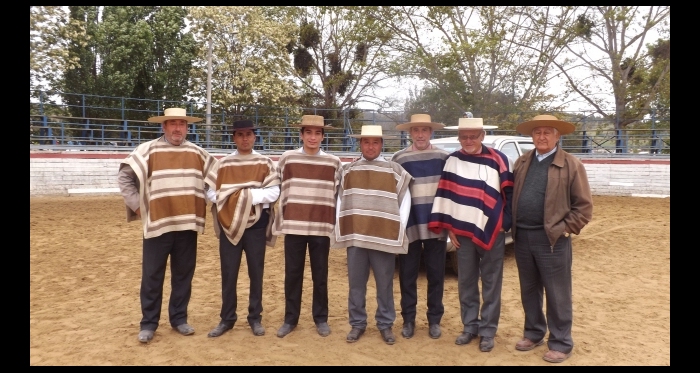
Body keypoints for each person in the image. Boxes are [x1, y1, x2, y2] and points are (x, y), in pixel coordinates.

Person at [117, 107, 218, 343]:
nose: (177, 128)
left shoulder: (198, 153)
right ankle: (149, 323)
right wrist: (138, 206)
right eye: (172, 124)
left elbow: (216, 180)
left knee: (183, 275)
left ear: (187, 127)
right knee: (152, 275)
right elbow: (124, 177)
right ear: (163, 126)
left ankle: (179, 319)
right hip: (157, 224)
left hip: (187, 225)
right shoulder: (147, 150)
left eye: (181, 124)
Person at [511, 114, 593, 363]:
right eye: (538, 132)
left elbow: (584, 207)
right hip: (522, 236)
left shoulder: (571, 164)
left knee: (557, 293)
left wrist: (565, 229)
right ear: (532, 136)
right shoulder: (522, 161)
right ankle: (534, 332)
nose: (542, 136)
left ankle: (561, 342)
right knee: (529, 289)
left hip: (553, 239)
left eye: (548, 132)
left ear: (558, 136)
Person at [428, 116, 513, 353]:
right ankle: (470, 326)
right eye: (464, 136)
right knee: (466, 282)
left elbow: (509, 194)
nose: (468, 140)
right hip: (461, 233)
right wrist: (450, 228)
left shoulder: (498, 159)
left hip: (492, 231)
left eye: (473, 136)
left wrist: (504, 223)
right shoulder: (452, 161)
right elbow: (447, 194)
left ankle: (488, 331)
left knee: (491, 281)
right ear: (459, 137)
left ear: (482, 136)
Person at [333, 125, 413, 345]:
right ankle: (357, 323)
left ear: (381, 144)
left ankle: (385, 324)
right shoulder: (348, 171)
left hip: (383, 236)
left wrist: (396, 228)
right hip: (356, 236)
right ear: (360, 144)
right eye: (366, 142)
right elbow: (340, 200)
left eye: (375, 142)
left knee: (384, 282)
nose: (370, 146)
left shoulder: (394, 171)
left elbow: (405, 201)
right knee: (356, 284)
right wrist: (344, 225)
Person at [206, 119, 281, 338]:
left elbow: (273, 192)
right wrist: (232, 203)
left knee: (256, 272)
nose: (245, 138)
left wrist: (241, 197)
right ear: (234, 138)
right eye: (240, 135)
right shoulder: (223, 164)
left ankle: (255, 318)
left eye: (249, 134)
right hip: (229, 224)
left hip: (256, 225)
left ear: (254, 137)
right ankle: (227, 319)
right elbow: (210, 192)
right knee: (228, 272)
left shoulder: (265, 162)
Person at [271, 114, 343, 338]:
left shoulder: (334, 162)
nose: (313, 137)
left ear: (323, 136)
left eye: (317, 133)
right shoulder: (287, 158)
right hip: (294, 226)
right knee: (293, 274)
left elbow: (339, 194)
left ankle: (320, 318)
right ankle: (290, 319)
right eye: (308, 132)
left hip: (321, 227)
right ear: (301, 134)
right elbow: (275, 186)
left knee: (320, 275)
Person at [391, 114, 449, 340]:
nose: (420, 134)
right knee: (407, 275)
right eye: (416, 130)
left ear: (431, 132)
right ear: (410, 133)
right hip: (410, 225)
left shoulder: (444, 157)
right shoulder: (399, 158)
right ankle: (408, 320)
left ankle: (434, 320)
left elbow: (449, 190)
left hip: (435, 226)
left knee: (436, 275)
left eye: (425, 130)